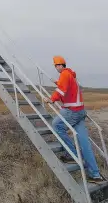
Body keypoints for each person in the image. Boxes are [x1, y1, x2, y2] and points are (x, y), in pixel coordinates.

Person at [45, 56, 105, 185]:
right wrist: (57, 83)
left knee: (57, 125)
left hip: (73, 111)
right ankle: (95, 174)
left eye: (56, 65)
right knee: (84, 144)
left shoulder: (65, 74)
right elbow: (67, 88)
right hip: (80, 111)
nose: (56, 68)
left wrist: (51, 99)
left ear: (60, 65)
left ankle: (73, 155)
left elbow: (61, 90)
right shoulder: (71, 75)